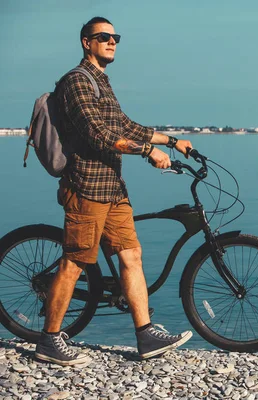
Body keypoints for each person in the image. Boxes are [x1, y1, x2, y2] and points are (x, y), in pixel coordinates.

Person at [34, 16, 194, 366]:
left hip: (113, 188)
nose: (111, 42)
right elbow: (98, 134)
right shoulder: (77, 82)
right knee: (75, 261)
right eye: (103, 37)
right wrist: (147, 151)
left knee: (131, 255)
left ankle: (145, 334)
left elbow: (125, 125)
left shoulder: (102, 82)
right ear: (85, 42)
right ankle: (48, 340)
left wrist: (171, 140)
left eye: (115, 37)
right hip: (87, 186)